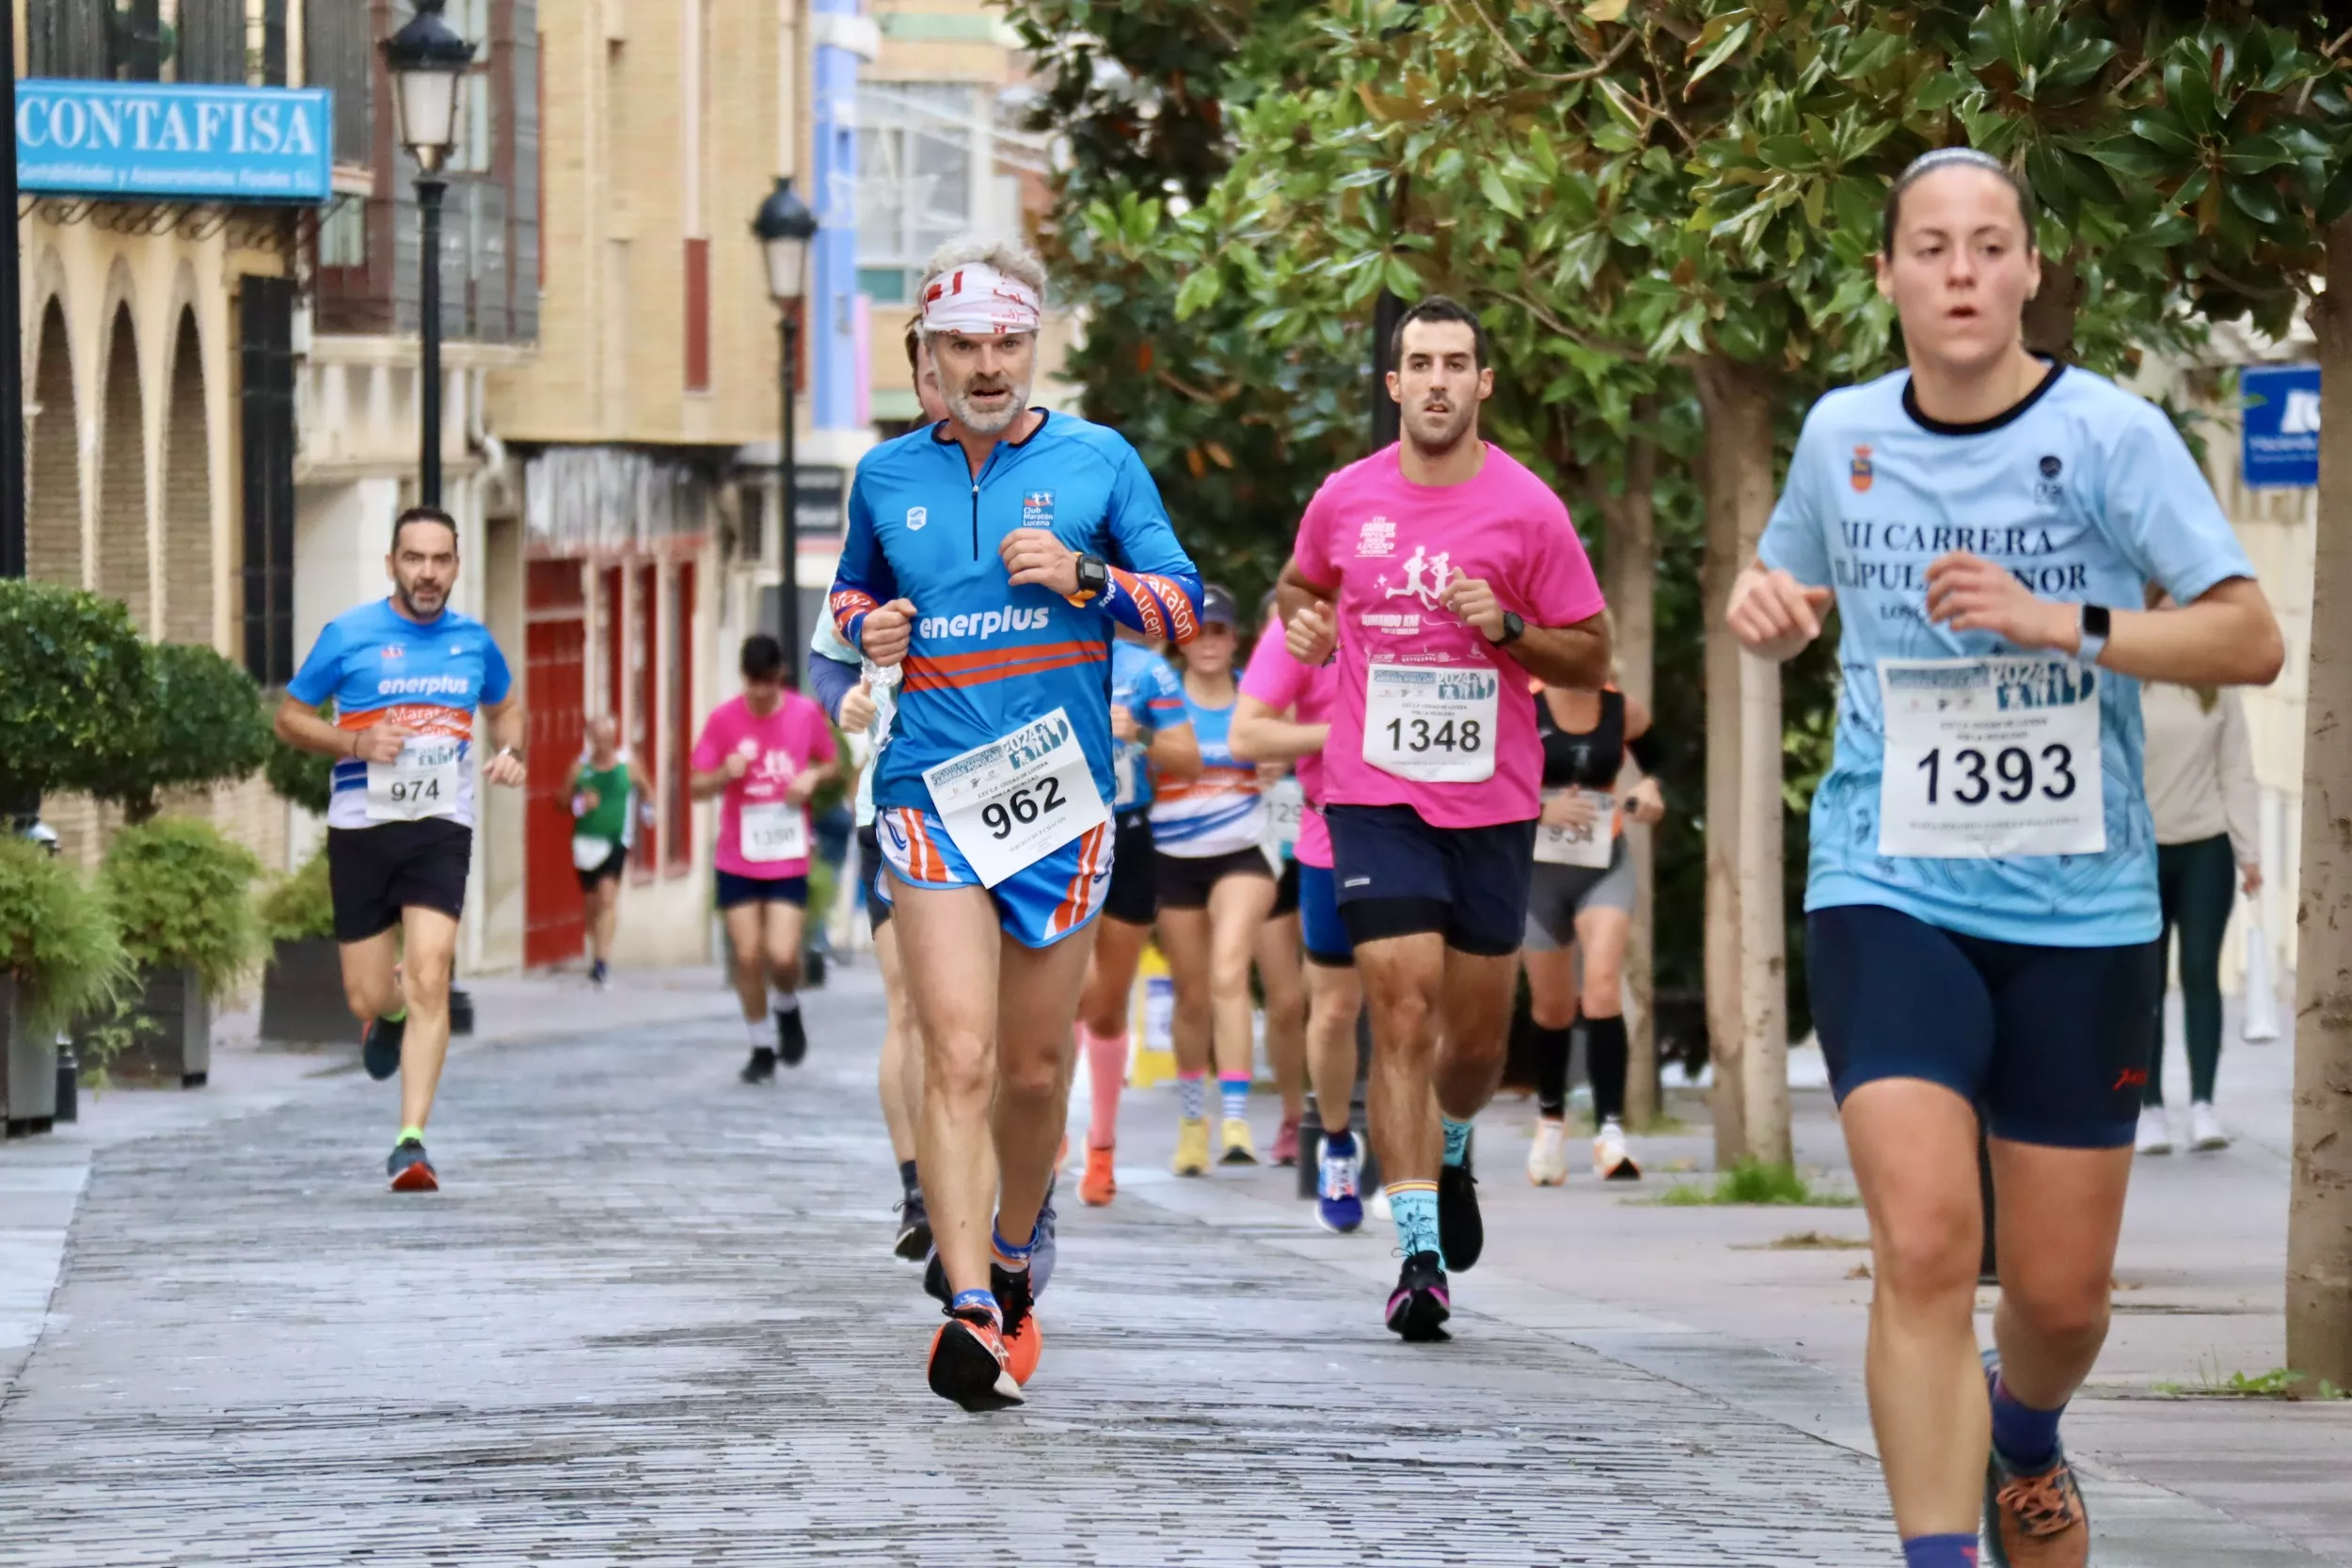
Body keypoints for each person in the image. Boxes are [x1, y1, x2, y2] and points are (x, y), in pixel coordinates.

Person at [1726, 148, 2282, 1568]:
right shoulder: (1842, 435)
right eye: (1931, 246)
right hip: (1886, 880)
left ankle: (2022, 1434)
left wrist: (2065, 624)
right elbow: (1787, 584)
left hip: (2080, 903)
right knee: (1921, 1239)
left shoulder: (2111, 435)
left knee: (2060, 1295)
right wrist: (1771, 607)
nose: (1961, 272)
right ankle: (1938, 1552)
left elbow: (2245, 635)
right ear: (1889, 276)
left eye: (1988, 246)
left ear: (2031, 270)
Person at [829, 238, 1201, 1411]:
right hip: (930, 791)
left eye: (1008, 342)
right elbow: (847, 596)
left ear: (1034, 344)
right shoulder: (886, 477)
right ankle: (968, 1305)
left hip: (1059, 799)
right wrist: (868, 625)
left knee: (1035, 1071)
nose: (988, 365)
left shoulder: (1099, 461)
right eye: (965, 345)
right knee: (962, 1054)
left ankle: (1013, 1249)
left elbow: (1184, 605)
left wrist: (1090, 582)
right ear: (925, 355)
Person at [1278, 295, 1610, 1341]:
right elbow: (1298, 587)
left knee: (1473, 1038)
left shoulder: (1528, 508)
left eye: (1453, 363)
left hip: (1492, 802)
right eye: (1416, 363)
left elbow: (1590, 655)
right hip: (1373, 794)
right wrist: (1303, 617)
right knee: (1402, 1007)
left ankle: (1455, 1140)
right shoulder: (1345, 498)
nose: (1433, 380)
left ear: (1481, 384)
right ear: (1392, 385)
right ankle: (1417, 1251)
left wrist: (1510, 628)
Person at [271, 505, 527, 1194]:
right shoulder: (349, 635)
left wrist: (509, 749)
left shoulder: (473, 642)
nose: (428, 573)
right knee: (366, 992)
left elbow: (505, 706)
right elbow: (290, 716)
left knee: (431, 972)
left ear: (456, 566)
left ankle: (410, 1141)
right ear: (392, 564)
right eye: (414, 558)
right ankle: (382, 1019)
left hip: (441, 826)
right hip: (361, 825)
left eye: (441, 560)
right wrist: (354, 742)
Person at [1231, 601, 1363, 1231]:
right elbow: (1246, 734)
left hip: (1428, 834)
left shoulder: (1428, 603)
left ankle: (1422, 1166)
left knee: (1414, 1006)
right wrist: (1339, 733)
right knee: (1332, 1008)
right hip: (1327, 836)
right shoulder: (1305, 623)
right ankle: (1335, 1141)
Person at [1151, 585, 1280, 1173]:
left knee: (1230, 972)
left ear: (1236, 640)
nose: (1208, 642)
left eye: (1220, 631)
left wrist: (1282, 761)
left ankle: (1234, 1122)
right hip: (1173, 855)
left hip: (1242, 851)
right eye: (1199, 631)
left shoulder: (1259, 699)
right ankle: (1192, 1119)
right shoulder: (1161, 695)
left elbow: (1297, 742)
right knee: (1193, 993)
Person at [1520, 665, 1667, 1185]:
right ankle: (1552, 1121)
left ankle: (1610, 1133)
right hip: (1538, 873)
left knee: (1603, 986)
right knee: (1552, 1005)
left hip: (1605, 862)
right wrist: (1540, 809)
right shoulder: (1523, 704)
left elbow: (1660, 762)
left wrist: (1650, 787)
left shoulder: (1621, 709)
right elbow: (1490, 780)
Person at [1073, 627, 1200, 1207]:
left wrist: (1140, 734)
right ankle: (1048, 1127)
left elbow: (1189, 759)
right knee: (1056, 992)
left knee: (1104, 1004)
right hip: (1058, 835)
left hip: (1127, 836)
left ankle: (1101, 1146)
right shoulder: (1044, 648)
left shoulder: (1148, 670)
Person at [2136, 586, 2264, 1157]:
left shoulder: (2217, 687)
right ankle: (2148, 1107)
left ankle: (2204, 1106)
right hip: (2139, 854)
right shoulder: (2121, 682)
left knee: (2200, 973)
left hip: (2206, 848)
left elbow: (2236, 767)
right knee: (2145, 984)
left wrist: (2250, 850)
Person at [689, 635, 842, 1085]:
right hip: (738, 856)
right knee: (748, 955)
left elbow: (833, 763)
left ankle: (788, 1006)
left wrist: (811, 776)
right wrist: (724, 774)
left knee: (781, 954)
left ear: (780, 677)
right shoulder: (723, 722)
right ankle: (760, 1044)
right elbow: (696, 787)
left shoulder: (803, 713)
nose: (760, 693)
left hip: (787, 855)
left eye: (767, 683)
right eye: (752, 683)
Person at [566, 716, 650, 988]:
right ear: (590, 739)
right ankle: (595, 949)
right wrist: (580, 804)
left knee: (607, 897)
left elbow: (647, 790)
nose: (603, 744)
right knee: (591, 904)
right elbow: (560, 800)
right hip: (586, 841)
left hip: (617, 840)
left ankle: (602, 962)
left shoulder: (629, 767)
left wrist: (651, 814)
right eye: (597, 739)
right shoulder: (579, 768)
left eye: (607, 739)